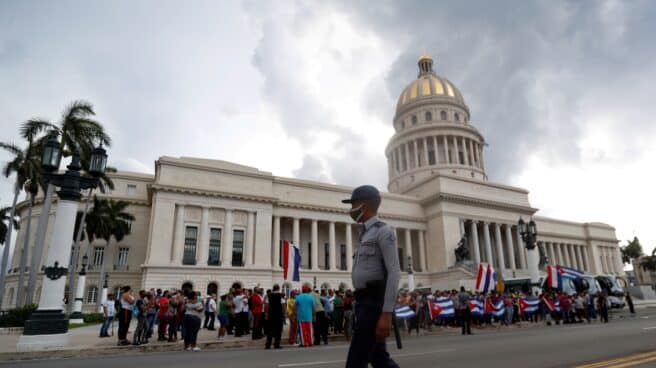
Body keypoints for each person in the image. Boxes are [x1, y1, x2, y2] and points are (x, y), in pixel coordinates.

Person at [343, 185, 400, 368]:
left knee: (356, 361)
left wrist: (386, 313)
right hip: (363, 302)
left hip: (373, 302)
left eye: (353, 205)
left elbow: (394, 272)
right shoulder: (365, 233)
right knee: (379, 358)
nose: (351, 210)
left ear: (363, 206)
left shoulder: (383, 231)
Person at [295, 283, 317, 347]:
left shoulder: (298, 297)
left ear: (302, 290)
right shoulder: (310, 297)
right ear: (307, 290)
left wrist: (296, 314)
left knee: (302, 331)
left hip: (301, 316)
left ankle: (304, 343)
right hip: (309, 316)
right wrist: (314, 315)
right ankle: (310, 342)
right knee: (309, 330)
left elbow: (295, 306)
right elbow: (313, 308)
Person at [264, 284, 284, 349]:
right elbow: (283, 305)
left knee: (269, 330)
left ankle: (268, 344)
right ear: (278, 288)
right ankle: (276, 344)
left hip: (271, 314)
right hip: (278, 314)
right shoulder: (281, 296)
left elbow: (266, 305)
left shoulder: (268, 296)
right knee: (278, 330)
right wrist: (284, 314)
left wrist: (266, 314)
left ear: (273, 288)